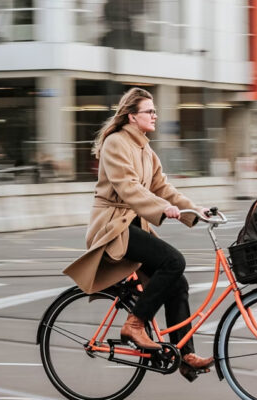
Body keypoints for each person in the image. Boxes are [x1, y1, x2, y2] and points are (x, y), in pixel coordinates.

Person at [63, 88, 214, 381]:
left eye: (155, 111)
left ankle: (185, 355)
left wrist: (196, 210)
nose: (155, 115)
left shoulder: (146, 149)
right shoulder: (116, 143)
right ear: (132, 116)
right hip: (113, 226)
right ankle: (135, 324)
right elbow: (129, 189)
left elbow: (163, 188)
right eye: (149, 111)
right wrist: (163, 209)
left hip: (133, 226)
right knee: (174, 261)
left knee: (178, 283)